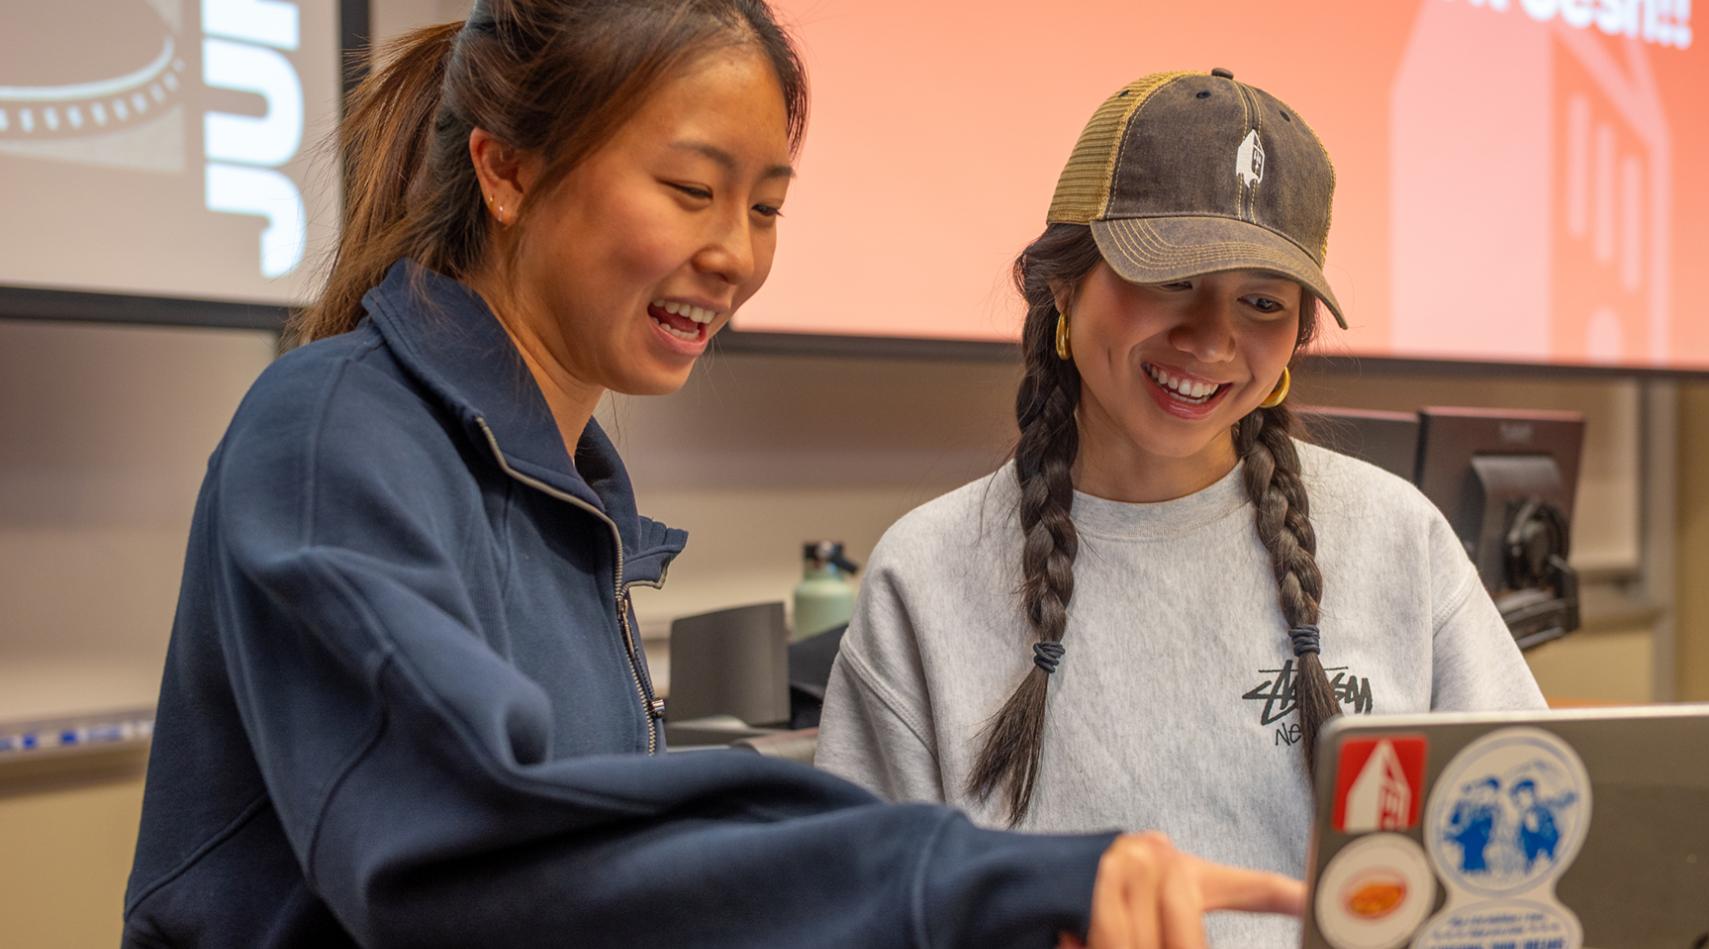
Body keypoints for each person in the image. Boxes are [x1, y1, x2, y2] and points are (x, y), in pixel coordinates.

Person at [120, 8, 1301, 948]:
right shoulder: (334, 432)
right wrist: (965, 880)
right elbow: (469, 843)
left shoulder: (563, 487)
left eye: (767, 206)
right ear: (506, 170)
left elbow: (608, 879)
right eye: (690, 192)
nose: (736, 254)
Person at [813, 69, 1548, 946]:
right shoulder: (926, 572)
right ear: (1061, 283)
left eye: (1263, 302)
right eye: (1171, 280)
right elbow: (858, 912)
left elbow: (1528, 876)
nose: (1209, 338)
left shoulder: (1399, 538)